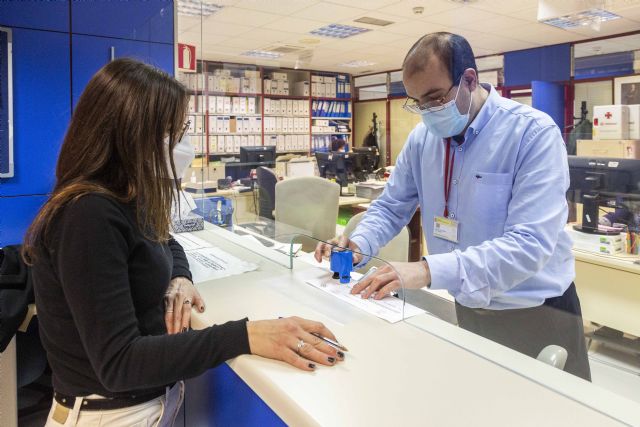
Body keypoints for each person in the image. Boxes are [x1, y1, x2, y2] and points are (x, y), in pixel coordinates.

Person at [23, 58, 344, 426]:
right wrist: (246, 335)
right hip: (109, 414)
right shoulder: (88, 214)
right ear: (132, 133)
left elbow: (166, 239)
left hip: (145, 406)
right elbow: (119, 363)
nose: (184, 145)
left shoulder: (125, 199)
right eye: (174, 133)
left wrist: (179, 277)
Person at [315, 32, 591, 381]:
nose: (427, 112)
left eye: (434, 98)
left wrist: (427, 270)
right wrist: (359, 243)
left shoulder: (532, 134)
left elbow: (528, 245)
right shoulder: (422, 140)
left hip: (537, 311)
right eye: (417, 102)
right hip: (468, 305)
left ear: (469, 79)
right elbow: (391, 206)